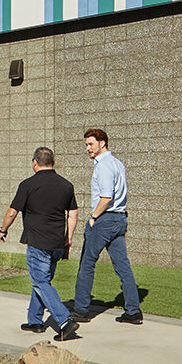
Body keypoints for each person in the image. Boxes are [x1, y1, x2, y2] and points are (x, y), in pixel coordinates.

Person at [0, 147, 79, 341]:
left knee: (40, 281)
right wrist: (68, 241)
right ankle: (35, 321)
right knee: (43, 281)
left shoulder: (28, 185)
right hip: (57, 243)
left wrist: (3, 230)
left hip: (38, 243)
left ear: (35, 162)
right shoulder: (66, 185)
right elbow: (73, 214)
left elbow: (12, 212)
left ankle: (64, 322)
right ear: (53, 162)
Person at [71, 128, 141, 325]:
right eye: (86, 145)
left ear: (102, 143)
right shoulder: (118, 164)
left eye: (91, 144)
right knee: (123, 266)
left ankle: (81, 311)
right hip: (119, 219)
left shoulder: (103, 165)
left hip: (104, 219)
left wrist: (93, 216)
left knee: (87, 264)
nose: (88, 148)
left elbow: (106, 197)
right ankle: (133, 312)